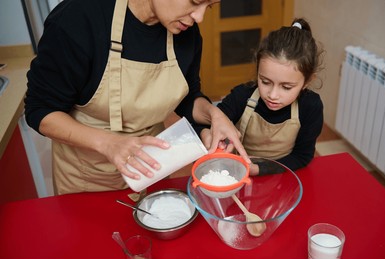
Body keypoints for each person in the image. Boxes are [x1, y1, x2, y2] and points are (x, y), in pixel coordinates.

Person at [24, 0, 249, 195]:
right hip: (88, 178)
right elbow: (40, 110)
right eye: (194, 1)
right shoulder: (79, 20)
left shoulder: (186, 34)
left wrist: (213, 114)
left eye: (209, 6)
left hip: (151, 168)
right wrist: (110, 144)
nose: (199, 17)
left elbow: (187, 97)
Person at [199, 18, 324, 176]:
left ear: (307, 82)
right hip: (236, 173)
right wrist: (209, 135)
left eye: (286, 87)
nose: (272, 95)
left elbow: (301, 156)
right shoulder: (241, 96)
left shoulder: (310, 106)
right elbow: (208, 123)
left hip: (283, 174)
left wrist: (258, 169)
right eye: (265, 82)